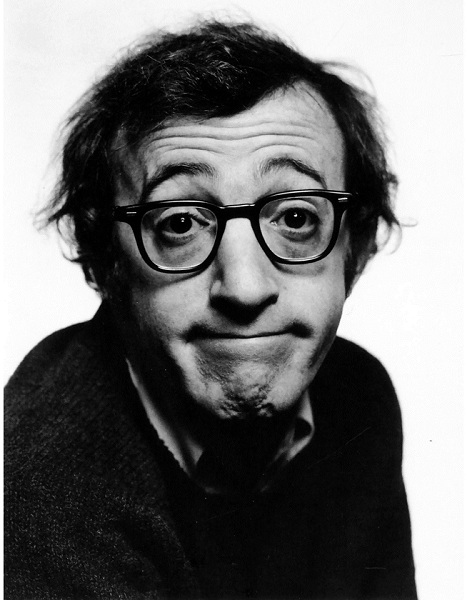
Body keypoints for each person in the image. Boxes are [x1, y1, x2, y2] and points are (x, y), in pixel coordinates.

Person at [4, 19, 417, 599]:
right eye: (180, 224)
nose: (243, 290)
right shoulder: (38, 480)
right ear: (105, 262)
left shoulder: (356, 397)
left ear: (358, 245)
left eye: (296, 217)